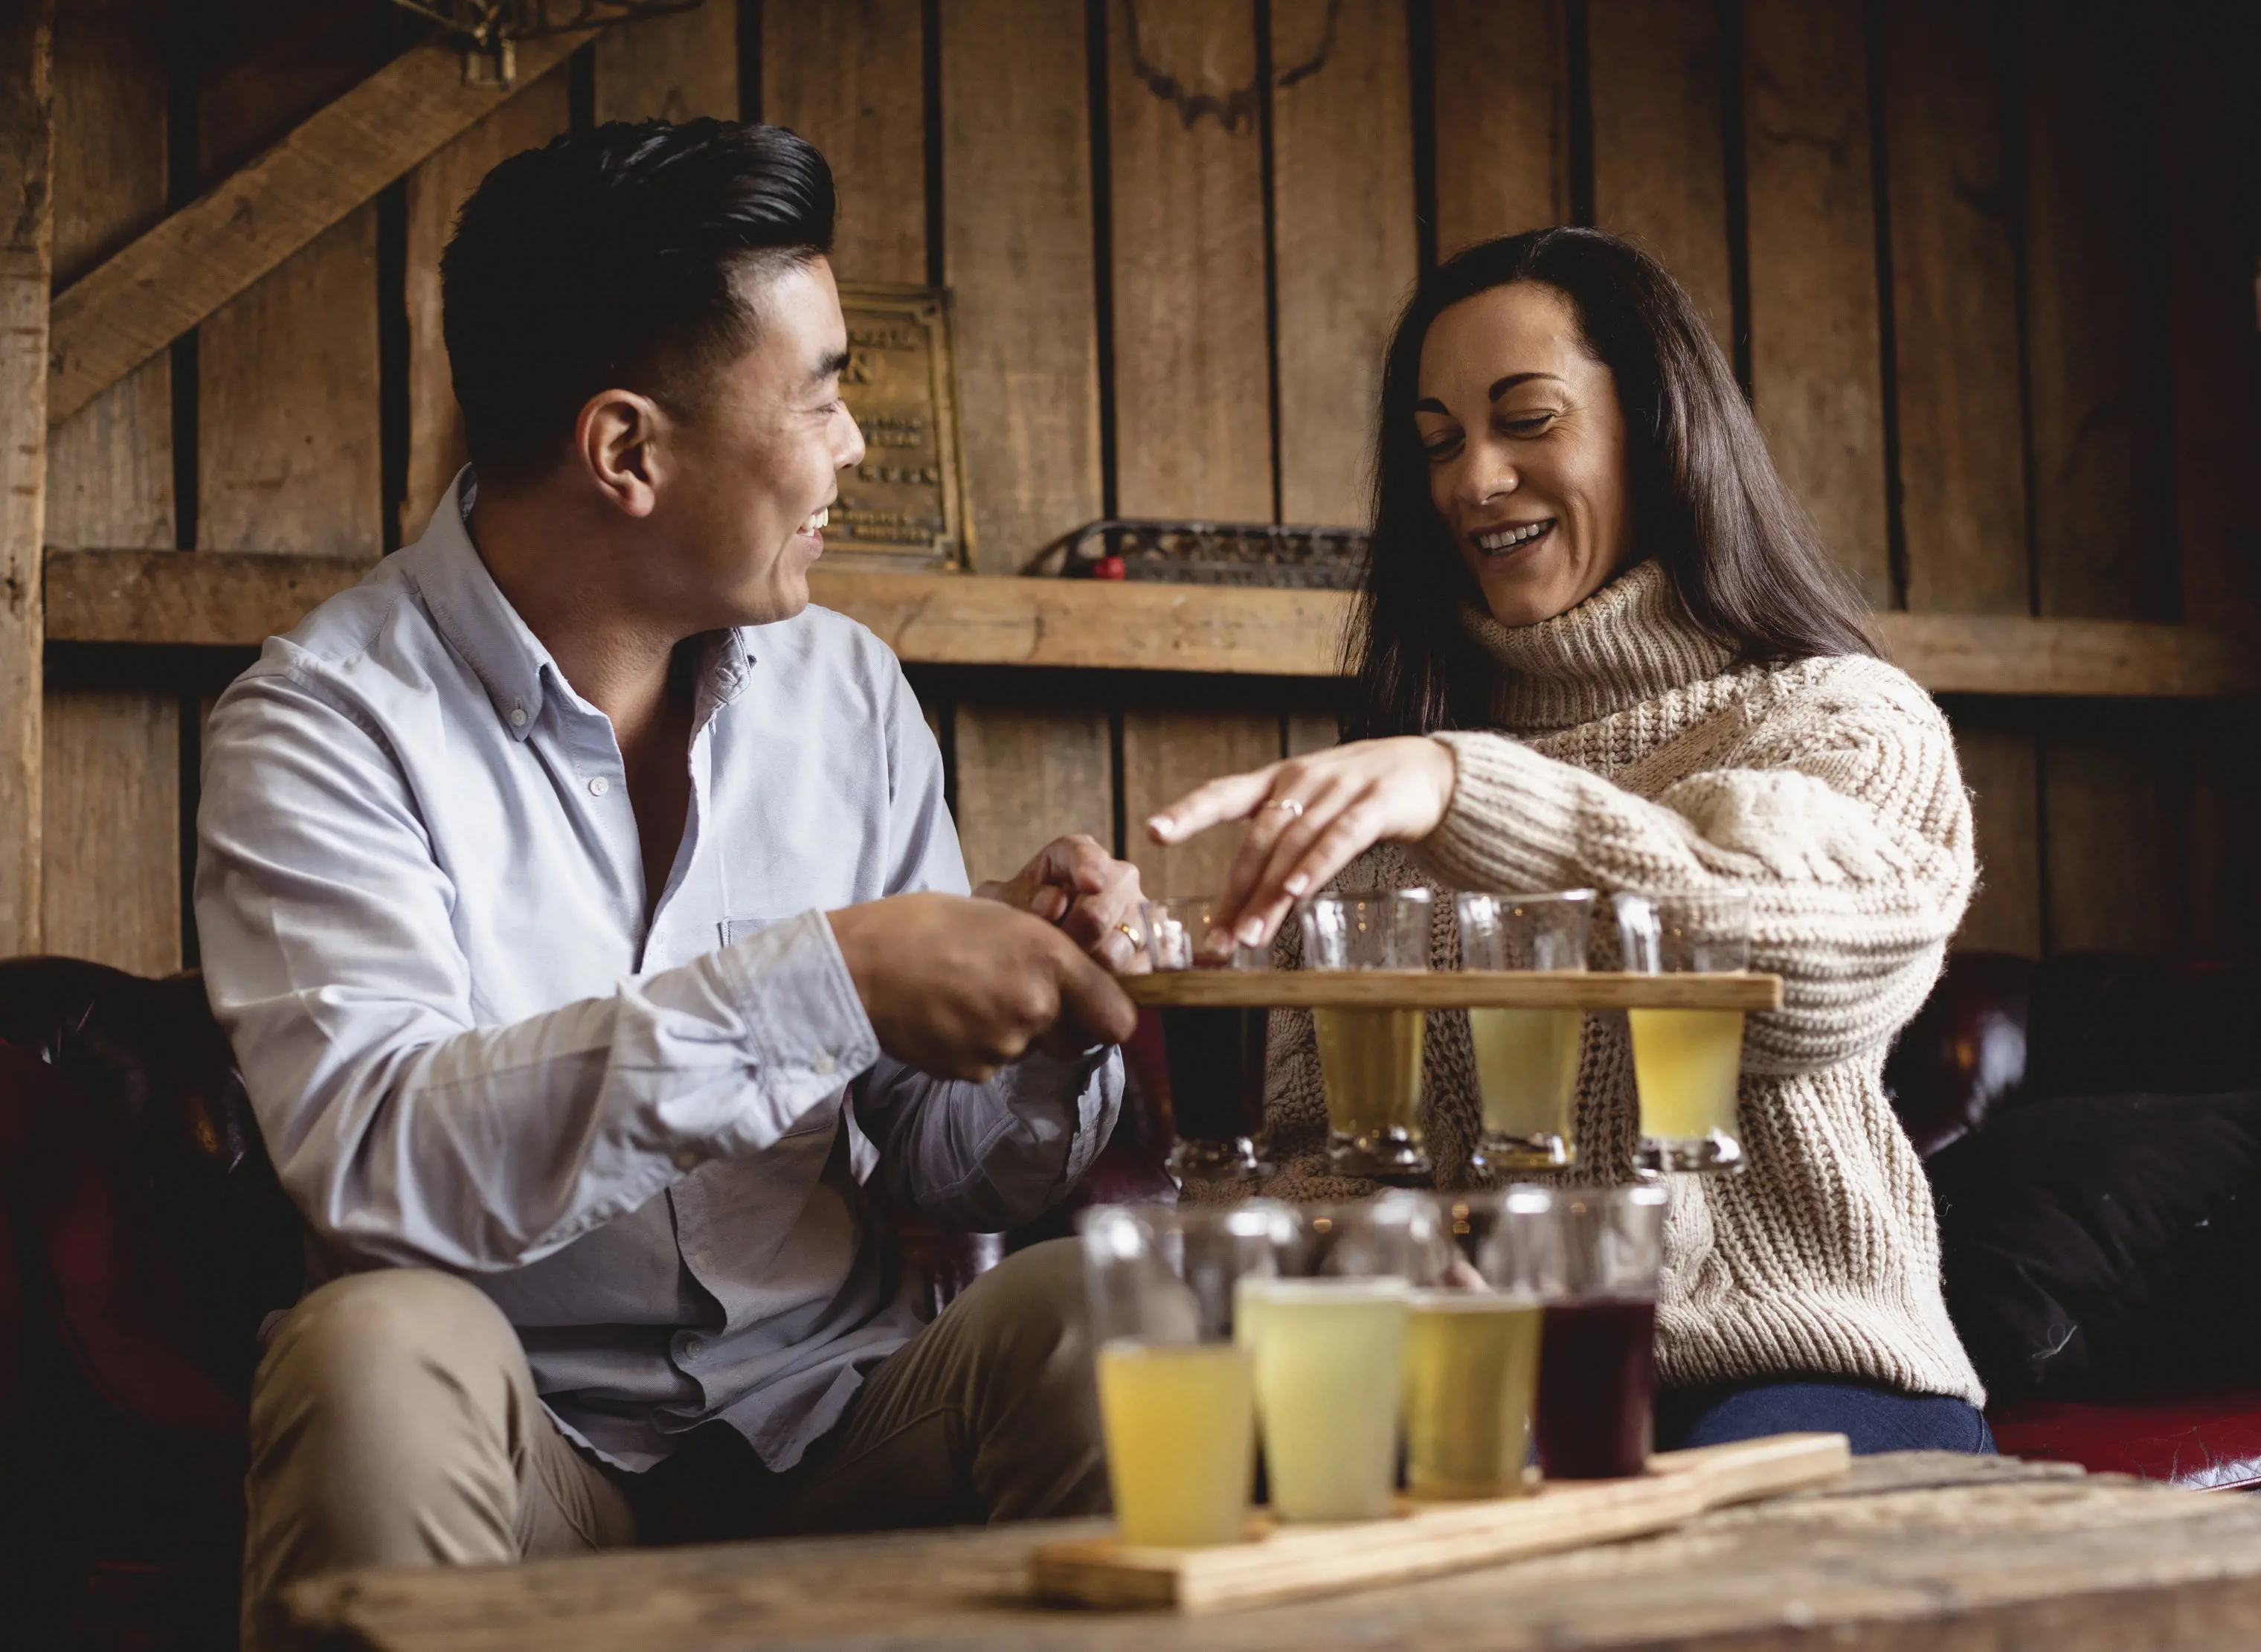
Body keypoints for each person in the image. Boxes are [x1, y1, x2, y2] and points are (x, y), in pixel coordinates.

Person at [195, 120, 1144, 1649]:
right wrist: (827, 981)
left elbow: (941, 1168)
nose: (854, 445)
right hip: (525, 1449)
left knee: (1112, 1313)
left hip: (844, 1422)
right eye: (824, 391)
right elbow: (380, 1155)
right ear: (627, 450)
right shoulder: (322, 725)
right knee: (372, 1346)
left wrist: (1041, 1023)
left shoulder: (850, 694)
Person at [1149, 227, 1990, 1454]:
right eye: (1436, 444)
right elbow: (1310, 1152)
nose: (1472, 479)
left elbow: (1813, 979)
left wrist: (1476, 795)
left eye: (1525, 420)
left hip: (1799, 1359)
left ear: (1656, 428)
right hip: (1472, 1383)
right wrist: (1364, 1262)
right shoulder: (1399, 779)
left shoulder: (1833, 715)